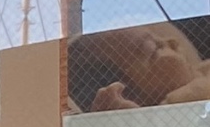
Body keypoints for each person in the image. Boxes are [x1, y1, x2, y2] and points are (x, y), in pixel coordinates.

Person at [66, 15, 210, 112]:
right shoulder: (181, 104)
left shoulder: (203, 69)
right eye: (154, 48)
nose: (173, 41)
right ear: (128, 96)